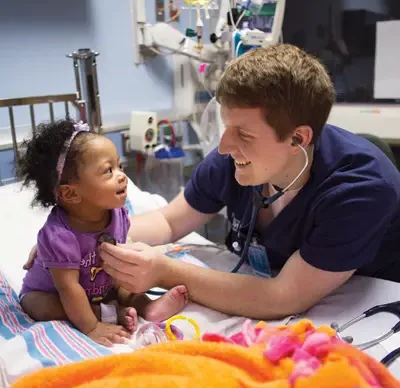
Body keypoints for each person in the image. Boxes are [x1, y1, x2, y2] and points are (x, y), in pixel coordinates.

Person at [25, 44, 400, 321]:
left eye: (243, 133)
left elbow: (281, 298)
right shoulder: (233, 159)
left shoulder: (359, 190)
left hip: (370, 303)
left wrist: (164, 270)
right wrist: (80, 241)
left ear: (297, 139)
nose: (223, 145)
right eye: (225, 125)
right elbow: (171, 221)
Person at [17, 119, 188, 347]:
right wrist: (92, 328)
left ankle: (147, 306)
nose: (121, 175)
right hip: (55, 292)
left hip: (97, 284)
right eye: (108, 170)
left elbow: (118, 256)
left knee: (125, 280)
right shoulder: (59, 235)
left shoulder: (118, 213)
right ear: (70, 194)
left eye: (120, 166)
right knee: (40, 305)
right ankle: (103, 314)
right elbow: (69, 288)